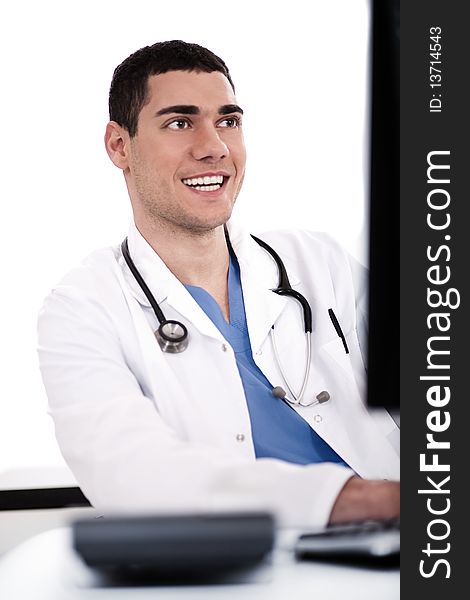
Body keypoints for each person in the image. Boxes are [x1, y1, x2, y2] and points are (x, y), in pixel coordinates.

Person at [37, 40, 399, 528]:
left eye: (228, 121)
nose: (214, 147)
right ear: (119, 146)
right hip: (242, 571)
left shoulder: (319, 262)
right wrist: (362, 500)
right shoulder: (82, 307)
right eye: (179, 122)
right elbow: (132, 474)